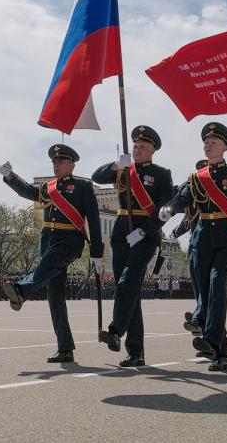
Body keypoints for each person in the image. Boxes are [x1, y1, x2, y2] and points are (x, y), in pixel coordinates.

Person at [0, 144, 104, 364]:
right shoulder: (49, 187)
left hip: (69, 241)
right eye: (54, 162)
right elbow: (28, 191)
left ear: (72, 165)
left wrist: (96, 251)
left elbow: (94, 219)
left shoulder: (83, 187)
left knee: (45, 267)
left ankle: (21, 290)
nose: (56, 165)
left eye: (61, 161)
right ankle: (65, 349)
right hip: (49, 241)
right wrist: (10, 177)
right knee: (55, 296)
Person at [164, 122, 227, 371]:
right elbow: (183, 199)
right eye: (206, 142)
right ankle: (219, 353)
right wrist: (169, 209)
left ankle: (211, 339)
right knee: (205, 293)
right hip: (201, 240)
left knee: (216, 284)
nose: (208, 145)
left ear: (225, 147)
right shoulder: (196, 177)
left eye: (213, 142)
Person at [91, 126, 173, 366]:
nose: (137, 150)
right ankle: (136, 353)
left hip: (145, 235)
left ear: (152, 150)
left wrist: (144, 230)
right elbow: (96, 176)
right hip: (121, 234)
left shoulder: (161, 174)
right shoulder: (123, 170)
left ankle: (116, 330)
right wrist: (116, 165)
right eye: (135, 146)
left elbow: (166, 210)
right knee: (129, 292)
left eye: (142, 147)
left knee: (128, 282)